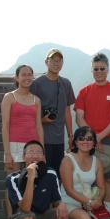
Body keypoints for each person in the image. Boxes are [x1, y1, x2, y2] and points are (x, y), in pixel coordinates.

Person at [74, 52, 110, 211]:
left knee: (109, 179)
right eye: (96, 68)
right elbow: (79, 118)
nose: (99, 71)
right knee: (87, 177)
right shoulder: (84, 91)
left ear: (108, 69)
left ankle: (107, 211)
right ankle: (88, 210)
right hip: (86, 141)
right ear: (91, 70)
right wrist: (93, 139)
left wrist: (99, 137)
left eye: (102, 68)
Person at [6, 140, 69, 219]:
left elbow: (56, 199)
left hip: (42, 217)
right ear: (24, 157)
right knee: (28, 217)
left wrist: (61, 204)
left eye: (39, 152)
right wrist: (30, 178)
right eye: (31, 152)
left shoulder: (51, 173)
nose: (35, 156)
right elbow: (25, 209)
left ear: (44, 158)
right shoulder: (13, 178)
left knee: (62, 212)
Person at [1, 64, 44, 219]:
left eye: (30, 75)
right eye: (23, 75)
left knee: (30, 183)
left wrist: (42, 151)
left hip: (32, 147)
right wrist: (8, 153)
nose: (27, 77)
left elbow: (39, 126)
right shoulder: (9, 98)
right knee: (12, 184)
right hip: (14, 145)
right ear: (16, 77)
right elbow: (4, 126)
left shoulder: (36, 100)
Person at [30, 48, 76, 177]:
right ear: (46, 62)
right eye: (53, 60)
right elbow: (29, 110)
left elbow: (67, 111)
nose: (56, 63)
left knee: (56, 176)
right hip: (41, 139)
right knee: (41, 175)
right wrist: (42, 120)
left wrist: (70, 134)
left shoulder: (66, 83)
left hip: (59, 139)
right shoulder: (37, 83)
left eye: (59, 61)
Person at [59, 126, 106, 219]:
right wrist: (89, 202)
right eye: (81, 138)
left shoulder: (97, 162)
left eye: (89, 138)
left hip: (89, 203)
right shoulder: (67, 160)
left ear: (94, 142)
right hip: (68, 202)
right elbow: (69, 190)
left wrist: (97, 201)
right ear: (76, 142)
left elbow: (102, 188)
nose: (85, 141)